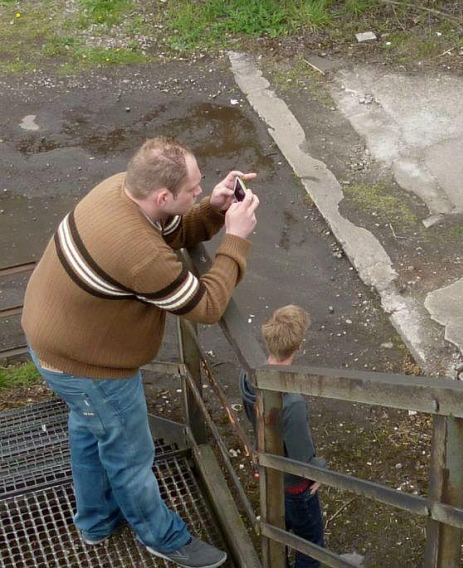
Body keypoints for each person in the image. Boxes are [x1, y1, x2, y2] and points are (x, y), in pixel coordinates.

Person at [22, 137, 260, 568]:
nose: (200, 191)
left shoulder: (119, 190)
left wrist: (215, 209)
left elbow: (172, 229)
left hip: (54, 343)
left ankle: (95, 523)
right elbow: (205, 306)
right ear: (163, 195)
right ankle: (163, 537)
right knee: (130, 458)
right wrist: (237, 239)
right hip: (90, 368)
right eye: (194, 189)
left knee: (91, 430)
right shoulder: (139, 256)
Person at [240, 305, 327, 568]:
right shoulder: (293, 403)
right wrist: (320, 470)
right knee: (311, 543)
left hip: (268, 471)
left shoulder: (248, 375)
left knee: (278, 522)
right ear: (298, 346)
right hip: (294, 486)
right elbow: (301, 459)